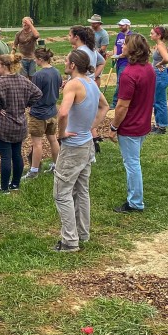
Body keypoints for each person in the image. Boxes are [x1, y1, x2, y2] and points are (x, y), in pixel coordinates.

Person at [52, 51, 108, 252]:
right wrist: (91, 126)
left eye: (66, 60)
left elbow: (63, 112)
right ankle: (83, 234)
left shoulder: (73, 84)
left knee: (61, 193)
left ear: (73, 65)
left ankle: (69, 241)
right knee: (82, 190)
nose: (64, 63)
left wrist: (62, 133)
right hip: (86, 144)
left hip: (74, 146)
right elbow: (105, 106)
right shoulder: (91, 83)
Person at [108, 33, 156, 213]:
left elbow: (122, 106)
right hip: (143, 123)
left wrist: (113, 127)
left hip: (130, 126)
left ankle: (135, 202)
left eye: (126, 44)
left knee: (132, 164)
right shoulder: (149, 68)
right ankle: (135, 199)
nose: (123, 47)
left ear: (132, 49)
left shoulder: (129, 73)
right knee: (133, 162)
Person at [0, 54, 42, 192]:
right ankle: (15, 184)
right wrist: (26, 104)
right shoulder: (23, 80)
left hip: (4, 125)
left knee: (5, 157)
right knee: (17, 154)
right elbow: (38, 93)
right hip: (20, 123)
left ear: (4, 66)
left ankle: (4, 188)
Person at [22, 48, 61, 180]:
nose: (34, 60)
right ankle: (57, 165)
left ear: (40, 59)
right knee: (53, 139)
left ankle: (34, 171)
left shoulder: (39, 75)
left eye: (35, 58)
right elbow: (59, 86)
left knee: (37, 143)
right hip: (52, 111)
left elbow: (33, 93)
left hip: (39, 113)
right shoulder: (56, 71)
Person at [150, 27, 168, 134]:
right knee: (156, 100)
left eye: (152, 33)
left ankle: (162, 126)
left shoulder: (160, 46)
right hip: (157, 75)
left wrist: (159, 64)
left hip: (160, 75)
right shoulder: (158, 45)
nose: (150, 35)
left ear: (158, 35)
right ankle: (158, 124)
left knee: (160, 101)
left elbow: (167, 59)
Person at [110, 19, 132, 107]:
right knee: (119, 81)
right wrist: (115, 55)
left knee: (120, 82)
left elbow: (129, 51)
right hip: (118, 62)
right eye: (119, 25)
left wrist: (119, 56)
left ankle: (115, 103)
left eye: (122, 25)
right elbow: (116, 45)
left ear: (127, 25)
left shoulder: (131, 36)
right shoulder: (119, 35)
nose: (120, 27)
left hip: (126, 62)